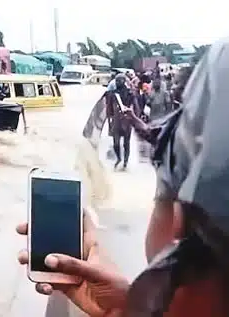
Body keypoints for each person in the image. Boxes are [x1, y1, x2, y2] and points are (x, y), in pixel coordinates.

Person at [17, 37, 229, 317]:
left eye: (159, 197)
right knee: (121, 149)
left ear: (178, 229)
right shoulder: (121, 95)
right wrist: (123, 309)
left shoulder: (136, 93)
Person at [105, 74, 138, 170]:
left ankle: (125, 162)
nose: (117, 82)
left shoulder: (130, 94)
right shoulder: (112, 94)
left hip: (127, 122)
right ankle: (119, 159)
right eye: (116, 80)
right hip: (116, 122)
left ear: (124, 81)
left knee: (126, 143)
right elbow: (109, 109)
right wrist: (109, 122)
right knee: (116, 143)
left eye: (119, 80)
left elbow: (135, 107)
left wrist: (135, 120)